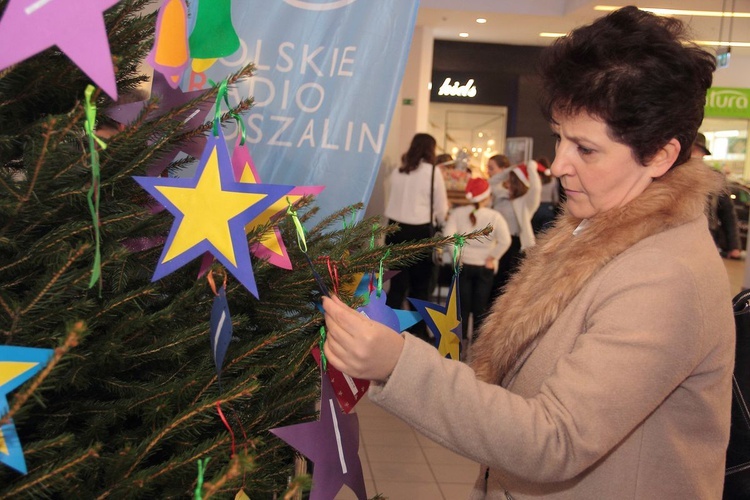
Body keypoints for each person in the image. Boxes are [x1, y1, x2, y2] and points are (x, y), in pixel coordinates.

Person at [322, 6, 735, 499]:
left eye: (586, 149)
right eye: (561, 137)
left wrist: (398, 364)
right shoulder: (597, 230)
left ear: (662, 156)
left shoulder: (663, 276)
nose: (558, 164)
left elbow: (555, 438)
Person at [383, 133, 449, 340]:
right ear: (431, 149)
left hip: (395, 230)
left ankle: (388, 328)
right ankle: (418, 332)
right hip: (420, 232)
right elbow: (441, 207)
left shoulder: (398, 171)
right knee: (420, 287)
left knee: (396, 285)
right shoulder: (432, 172)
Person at [443, 177, 511, 345]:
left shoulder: (457, 214)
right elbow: (506, 240)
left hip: (463, 266)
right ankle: (477, 342)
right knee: (480, 308)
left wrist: (457, 256)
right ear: (487, 197)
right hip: (484, 268)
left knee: (462, 306)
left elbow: (448, 237)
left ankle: (459, 342)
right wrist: (492, 257)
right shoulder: (494, 216)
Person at [487, 154, 541, 299]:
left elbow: (536, 189)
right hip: (496, 243)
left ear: (518, 183)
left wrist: (531, 169)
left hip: (514, 246)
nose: (508, 184)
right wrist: (511, 169)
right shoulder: (502, 195)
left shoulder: (525, 202)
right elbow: (491, 183)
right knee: (491, 286)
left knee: (505, 288)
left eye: (511, 181)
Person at [692, 133, 742, 259]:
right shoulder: (672, 175)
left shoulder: (714, 177)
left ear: (703, 154)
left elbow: (728, 213)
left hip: (708, 236)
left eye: (697, 151)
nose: (694, 154)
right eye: (692, 150)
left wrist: (734, 245)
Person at [531, 156, 560, 233]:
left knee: (534, 233)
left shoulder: (534, 180)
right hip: (548, 208)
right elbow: (555, 197)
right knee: (546, 234)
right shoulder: (553, 180)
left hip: (535, 207)